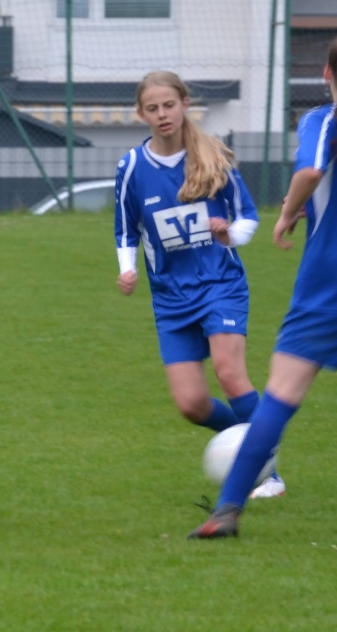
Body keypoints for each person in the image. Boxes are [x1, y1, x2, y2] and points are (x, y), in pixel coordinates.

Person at [189, 31, 337, 540]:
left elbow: (313, 168)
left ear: (327, 75)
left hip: (332, 285)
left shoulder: (323, 120)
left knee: (279, 395)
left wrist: (287, 212)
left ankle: (227, 510)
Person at [113, 70, 283, 499]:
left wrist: (229, 235)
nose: (162, 114)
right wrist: (126, 267)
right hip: (171, 298)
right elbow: (124, 227)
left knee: (229, 373)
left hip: (219, 283)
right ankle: (248, 444)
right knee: (191, 405)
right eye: (152, 108)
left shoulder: (212, 158)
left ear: (185, 104)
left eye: (169, 105)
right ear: (141, 114)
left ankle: (269, 470)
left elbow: (248, 218)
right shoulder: (132, 166)